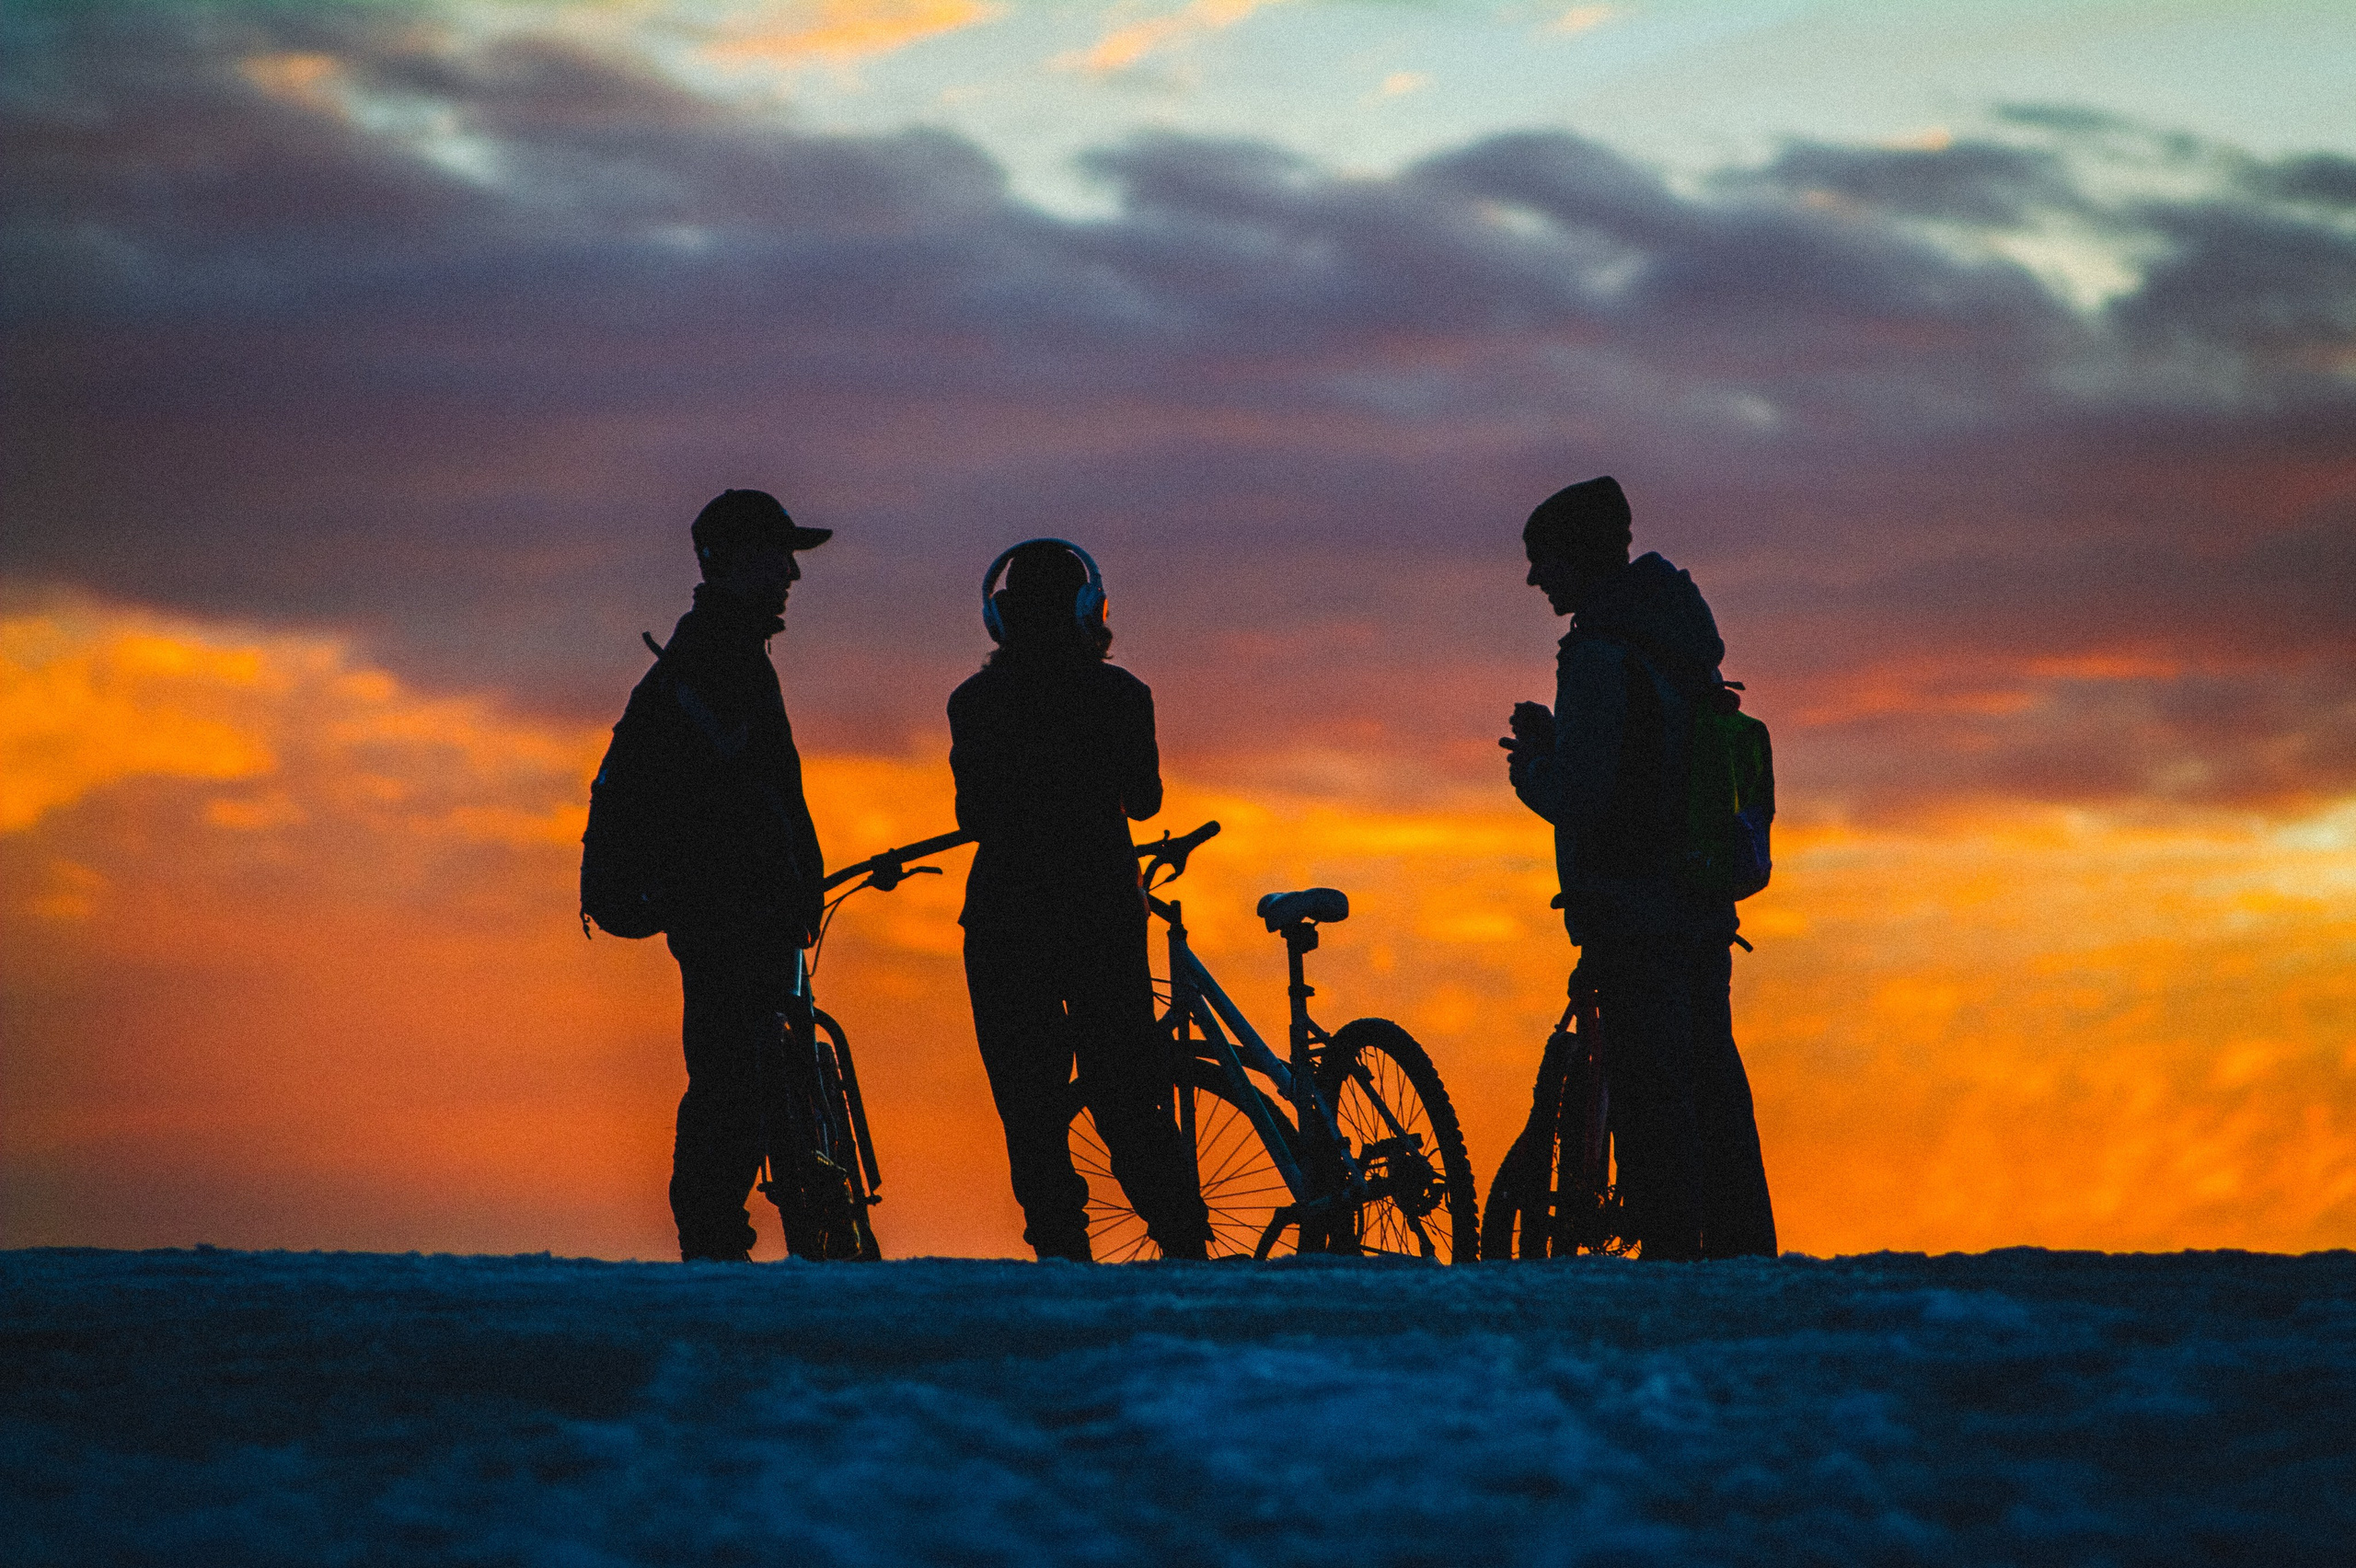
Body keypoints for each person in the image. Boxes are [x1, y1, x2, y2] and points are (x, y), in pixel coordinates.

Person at [1502, 475, 1776, 1260]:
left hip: (1631, 907)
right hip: (1697, 897)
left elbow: (1588, 796)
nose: (1534, 578)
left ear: (1576, 558)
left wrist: (1531, 767)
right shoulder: (1673, 638)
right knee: (1713, 1085)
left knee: (1655, 1099)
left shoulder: (1597, 653)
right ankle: (1741, 1257)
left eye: (1541, 559)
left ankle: (1671, 1268)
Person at [948, 539, 1214, 1262]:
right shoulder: (1123, 696)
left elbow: (974, 816)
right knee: (1126, 1095)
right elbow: (1146, 801)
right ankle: (1185, 1246)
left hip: (1003, 921)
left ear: (998, 619)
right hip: (1102, 916)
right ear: (1087, 610)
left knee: (1029, 1106)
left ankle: (1062, 1256)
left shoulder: (972, 703)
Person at [589, 489, 829, 1262]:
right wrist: (783, 877)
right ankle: (715, 1249)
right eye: (776, 555)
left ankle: (719, 1241)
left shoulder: (729, 652)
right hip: (729, 912)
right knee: (733, 1082)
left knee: (739, 1075)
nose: (792, 572)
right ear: (728, 563)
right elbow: (744, 799)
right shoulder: (720, 659)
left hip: (734, 907)